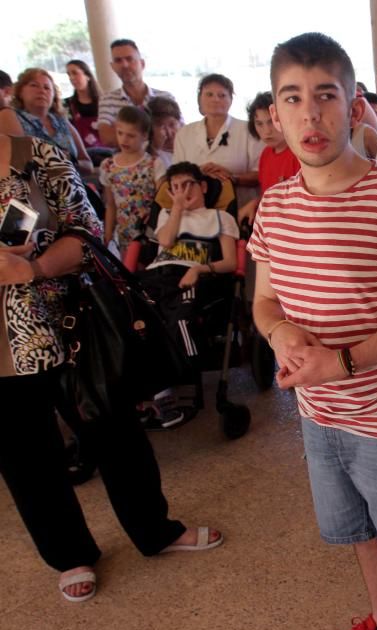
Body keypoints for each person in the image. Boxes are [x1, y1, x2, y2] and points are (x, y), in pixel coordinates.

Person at [248, 33, 377, 630]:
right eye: (293, 99)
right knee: (358, 531)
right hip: (317, 414)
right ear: (275, 115)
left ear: (355, 105)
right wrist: (282, 335)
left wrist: (344, 360)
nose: (311, 114)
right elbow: (265, 303)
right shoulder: (274, 207)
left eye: (326, 96)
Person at [0, 133, 222, 604]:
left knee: (115, 430)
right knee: (24, 457)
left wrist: (33, 269)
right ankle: (69, 554)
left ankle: (154, 529)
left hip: (68, 322)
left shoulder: (34, 155)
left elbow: (86, 234)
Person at [139, 161, 238, 425]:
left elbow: (231, 262)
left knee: (179, 319)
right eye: (175, 187)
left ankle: (179, 380)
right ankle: (152, 391)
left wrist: (199, 269)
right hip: (156, 275)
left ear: (203, 186)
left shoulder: (221, 217)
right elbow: (166, 242)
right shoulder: (166, 216)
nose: (182, 191)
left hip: (191, 275)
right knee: (134, 320)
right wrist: (177, 210)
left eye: (188, 184)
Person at [172, 73, 263, 208]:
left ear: (231, 100)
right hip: (194, 210)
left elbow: (260, 174)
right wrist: (197, 173)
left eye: (222, 95)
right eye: (209, 94)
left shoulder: (248, 130)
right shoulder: (184, 133)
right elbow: (176, 175)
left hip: (240, 207)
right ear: (199, 99)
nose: (215, 99)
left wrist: (232, 177)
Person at [0, 69, 93, 174]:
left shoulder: (62, 122)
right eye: (34, 85)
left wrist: (69, 161)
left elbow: (88, 165)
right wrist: (54, 158)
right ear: (20, 92)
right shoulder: (9, 116)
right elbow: (17, 163)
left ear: (53, 95)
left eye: (47, 88)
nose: (42, 91)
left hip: (74, 185)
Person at [100, 106, 166, 251]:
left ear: (144, 136)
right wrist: (107, 235)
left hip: (150, 231)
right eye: (120, 133)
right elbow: (110, 205)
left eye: (131, 135)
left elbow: (163, 201)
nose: (124, 139)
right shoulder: (108, 166)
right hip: (123, 234)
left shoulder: (154, 164)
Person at [96, 39, 178, 148]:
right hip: (127, 163)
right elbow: (107, 138)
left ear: (142, 63)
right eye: (118, 60)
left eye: (129, 59)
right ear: (113, 67)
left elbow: (178, 134)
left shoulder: (166, 97)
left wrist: (125, 133)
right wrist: (156, 133)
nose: (125, 65)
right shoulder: (107, 100)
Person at [236, 92, 300, 224]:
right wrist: (256, 202)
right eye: (259, 124)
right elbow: (269, 193)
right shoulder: (266, 154)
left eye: (271, 122)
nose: (266, 131)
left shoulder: (299, 153)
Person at [64, 60, 108, 155]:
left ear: (87, 75)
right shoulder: (66, 105)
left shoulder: (106, 102)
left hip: (108, 153)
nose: (71, 78)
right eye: (69, 74)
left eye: (75, 73)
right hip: (82, 155)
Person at [148, 95, 182, 167]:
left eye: (172, 125)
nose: (168, 133)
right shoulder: (149, 156)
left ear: (179, 123)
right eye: (161, 127)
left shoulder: (192, 146)